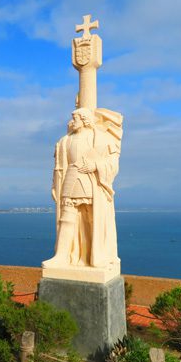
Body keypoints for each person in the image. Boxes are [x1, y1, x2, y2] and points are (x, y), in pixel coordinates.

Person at [43, 107, 121, 269]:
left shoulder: (100, 138)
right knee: (67, 218)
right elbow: (58, 167)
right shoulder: (65, 141)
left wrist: (95, 165)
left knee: (91, 218)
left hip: (91, 181)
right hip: (70, 179)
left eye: (75, 118)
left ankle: (94, 255)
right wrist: (55, 185)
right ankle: (62, 256)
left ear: (85, 120)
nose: (71, 122)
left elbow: (113, 164)